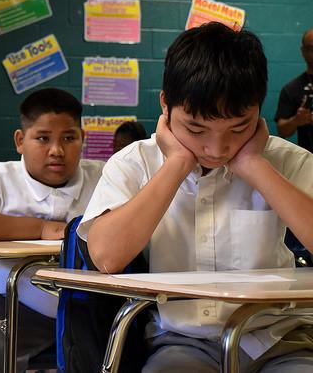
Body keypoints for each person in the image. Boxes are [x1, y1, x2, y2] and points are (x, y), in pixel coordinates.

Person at [80, 22, 313, 373]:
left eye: (239, 128)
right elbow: (107, 257)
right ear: (165, 105)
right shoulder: (135, 162)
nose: (217, 149)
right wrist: (177, 163)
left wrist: (253, 165)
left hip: (277, 338)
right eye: (195, 129)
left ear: (258, 108)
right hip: (181, 340)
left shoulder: (288, 161)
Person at [0, 88, 104, 373]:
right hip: (9, 305)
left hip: (87, 306)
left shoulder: (104, 176)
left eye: (69, 138)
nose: (56, 150)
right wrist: (42, 227)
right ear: (21, 141)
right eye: (43, 138)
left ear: (84, 139)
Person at [275, 28, 313, 152]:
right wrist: (296, 120)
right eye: (311, 48)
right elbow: (282, 131)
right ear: (303, 51)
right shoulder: (291, 89)